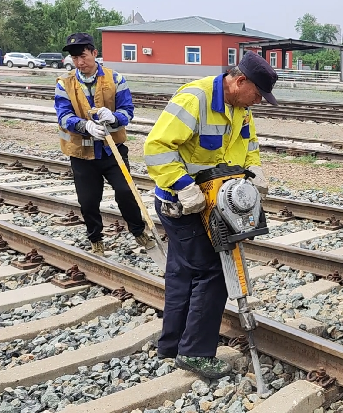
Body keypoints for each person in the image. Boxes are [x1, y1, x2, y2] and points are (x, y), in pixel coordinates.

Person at [143, 51, 276, 379]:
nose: (258, 101)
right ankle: (195, 353)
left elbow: (250, 145)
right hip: (183, 203)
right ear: (240, 81)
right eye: (257, 93)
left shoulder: (241, 108)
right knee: (212, 273)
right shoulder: (195, 99)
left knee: (182, 272)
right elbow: (156, 147)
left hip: (215, 202)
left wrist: (254, 170)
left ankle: (172, 345)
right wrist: (183, 185)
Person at [53, 32, 156, 257]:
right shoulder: (65, 84)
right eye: (75, 58)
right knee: (88, 200)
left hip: (112, 150)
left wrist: (114, 117)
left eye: (83, 56)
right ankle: (96, 239)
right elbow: (62, 117)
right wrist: (85, 126)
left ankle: (138, 231)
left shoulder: (115, 79)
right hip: (82, 154)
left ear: (94, 53)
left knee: (125, 191)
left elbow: (127, 112)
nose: (80, 63)